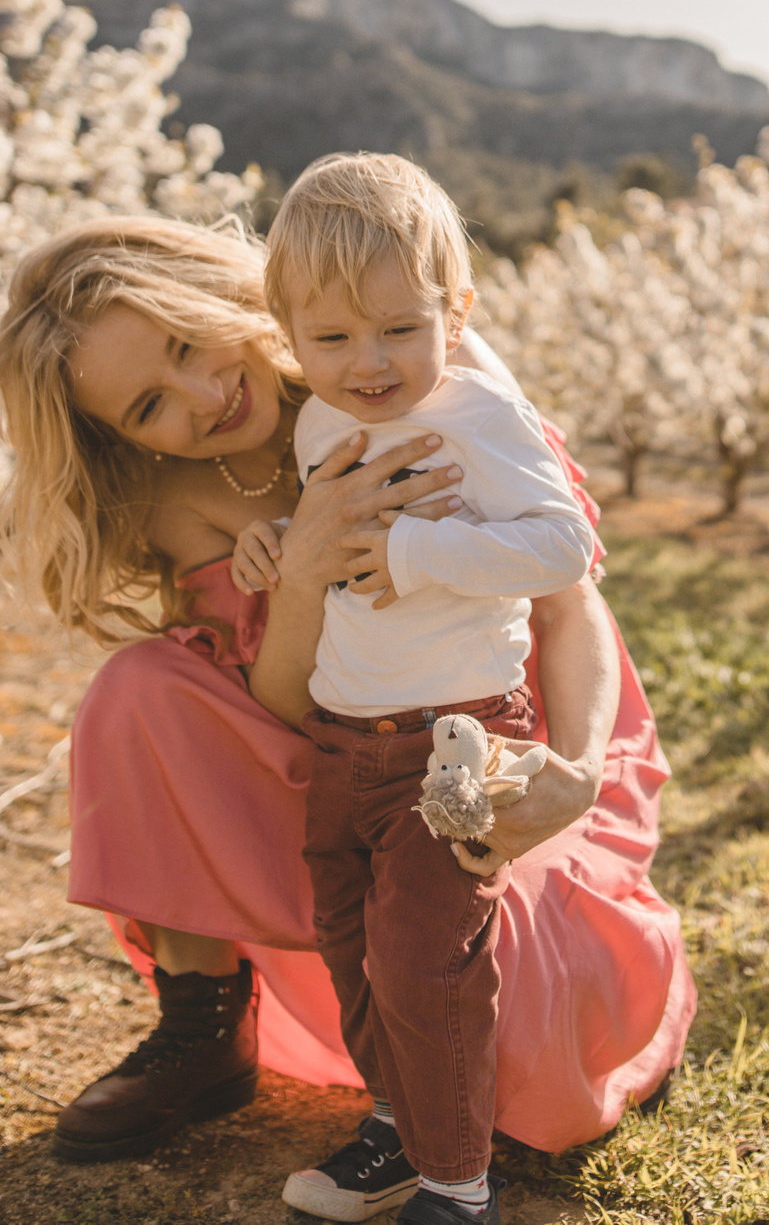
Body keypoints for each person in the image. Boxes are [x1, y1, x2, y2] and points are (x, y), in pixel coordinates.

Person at [0, 211, 692, 1219]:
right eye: (150, 403)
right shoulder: (175, 495)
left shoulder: (412, 364)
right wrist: (307, 575)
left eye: (190, 345)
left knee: (523, 1034)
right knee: (137, 689)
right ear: (120, 437)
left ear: (227, 296)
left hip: (504, 742)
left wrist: (574, 777)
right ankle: (203, 1027)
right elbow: (279, 702)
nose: (201, 395)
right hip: (342, 766)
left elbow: (568, 598)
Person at [228, 154, 596, 1224]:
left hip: (456, 741)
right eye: (332, 339)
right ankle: (398, 1120)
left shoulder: (482, 418)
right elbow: (341, 542)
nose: (370, 362)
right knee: (348, 940)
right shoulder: (317, 424)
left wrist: (418, 555)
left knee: (425, 956)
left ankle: (456, 1183)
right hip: (344, 740)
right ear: (289, 336)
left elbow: (560, 546)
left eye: (400, 327)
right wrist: (280, 541)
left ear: (457, 310)